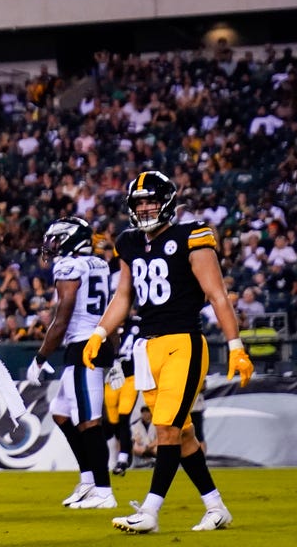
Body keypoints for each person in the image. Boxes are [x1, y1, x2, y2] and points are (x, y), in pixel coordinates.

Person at [83, 170, 254, 533]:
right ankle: (216, 507)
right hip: (147, 349)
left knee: (166, 428)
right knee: (183, 433)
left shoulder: (192, 235)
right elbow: (123, 296)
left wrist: (236, 346)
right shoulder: (129, 242)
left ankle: (150, 511)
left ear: (167, 203)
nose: (145, 208)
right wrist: (100, 332)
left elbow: (218, 295)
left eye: (151, 200)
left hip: (183, 343)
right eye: (139, 202)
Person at [26, 217, 116, 509]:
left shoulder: (69, 266)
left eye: (57, 239)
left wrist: (41, 356)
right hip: (97, 339)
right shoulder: (99, 264)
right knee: (61, 413)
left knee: (89, 420)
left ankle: (104, 491)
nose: (52, 245)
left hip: (83, 345)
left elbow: (63, 315)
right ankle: (89, 480)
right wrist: (113, 353)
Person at [104, 315, 140, 476]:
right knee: (113, 422)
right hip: (111, 379)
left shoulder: (136, 323)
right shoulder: (107, 324)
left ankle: (123, 457)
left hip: (130, 378)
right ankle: (121, 453)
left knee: (124, 417)